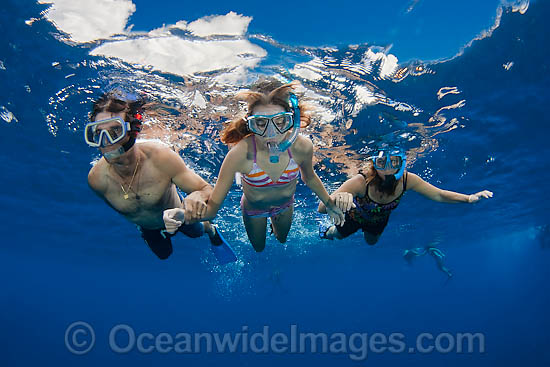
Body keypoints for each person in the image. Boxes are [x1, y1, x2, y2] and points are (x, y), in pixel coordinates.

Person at [164, 80, 344, 252]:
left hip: (285, 205)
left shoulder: (302, 147)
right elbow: (211, 211)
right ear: (250, 124)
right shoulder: (239, 155)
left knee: (281, 239)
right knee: (259, 248)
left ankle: (275, 228)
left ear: (292, 121)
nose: (271, 134)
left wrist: (330, 204)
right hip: (254, 209)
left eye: (280, 122)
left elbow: (309, 177)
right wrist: (181, 215)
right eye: (261, 124)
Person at [85, 91, 236, 263]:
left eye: (115, 131)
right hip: (148, 227)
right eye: (98, 134)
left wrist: (197, 196)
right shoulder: (96, 180)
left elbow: (206, 188)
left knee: (198, 232)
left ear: (133, 131)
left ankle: (212, 231)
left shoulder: (160, 157)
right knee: (163, 255)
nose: (107, 142)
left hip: (180, 215)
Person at [318, 149, 493, 245]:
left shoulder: (408, 180)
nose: (387, 170)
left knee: (371, 243)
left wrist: (469, 198)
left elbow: (438, 194)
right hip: (354, 217)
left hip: (378, 221)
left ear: (402, 163)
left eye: (393, 162)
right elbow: (321, 208)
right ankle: (325, 232)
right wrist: (336, 201)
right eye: (381, 163)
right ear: (373, 164)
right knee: (337, 236)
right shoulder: (360, 181)